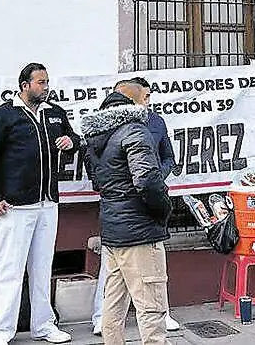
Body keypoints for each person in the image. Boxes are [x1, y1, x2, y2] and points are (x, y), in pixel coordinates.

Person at [0, 63, 79, 345]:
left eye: (47, 82)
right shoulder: (4, 115)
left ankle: (44, 325)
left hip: (48, 203)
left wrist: (69, 140)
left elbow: (75, 138)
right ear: (25, 85)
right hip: (13, 207)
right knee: (8, 269)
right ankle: (0, 331)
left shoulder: (55, 113)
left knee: (42, 267)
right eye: (41, 82)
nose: (46, 87)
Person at [81, 79, 174, 345]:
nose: (148, 103)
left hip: (113, 229)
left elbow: (99, 183)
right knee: (151, 307)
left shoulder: (97, 135)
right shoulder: (134, 128)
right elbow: (146, 180)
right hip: (140, 232)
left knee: (113, 305)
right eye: (144, 98)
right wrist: (163, 211)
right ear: (134, 102)